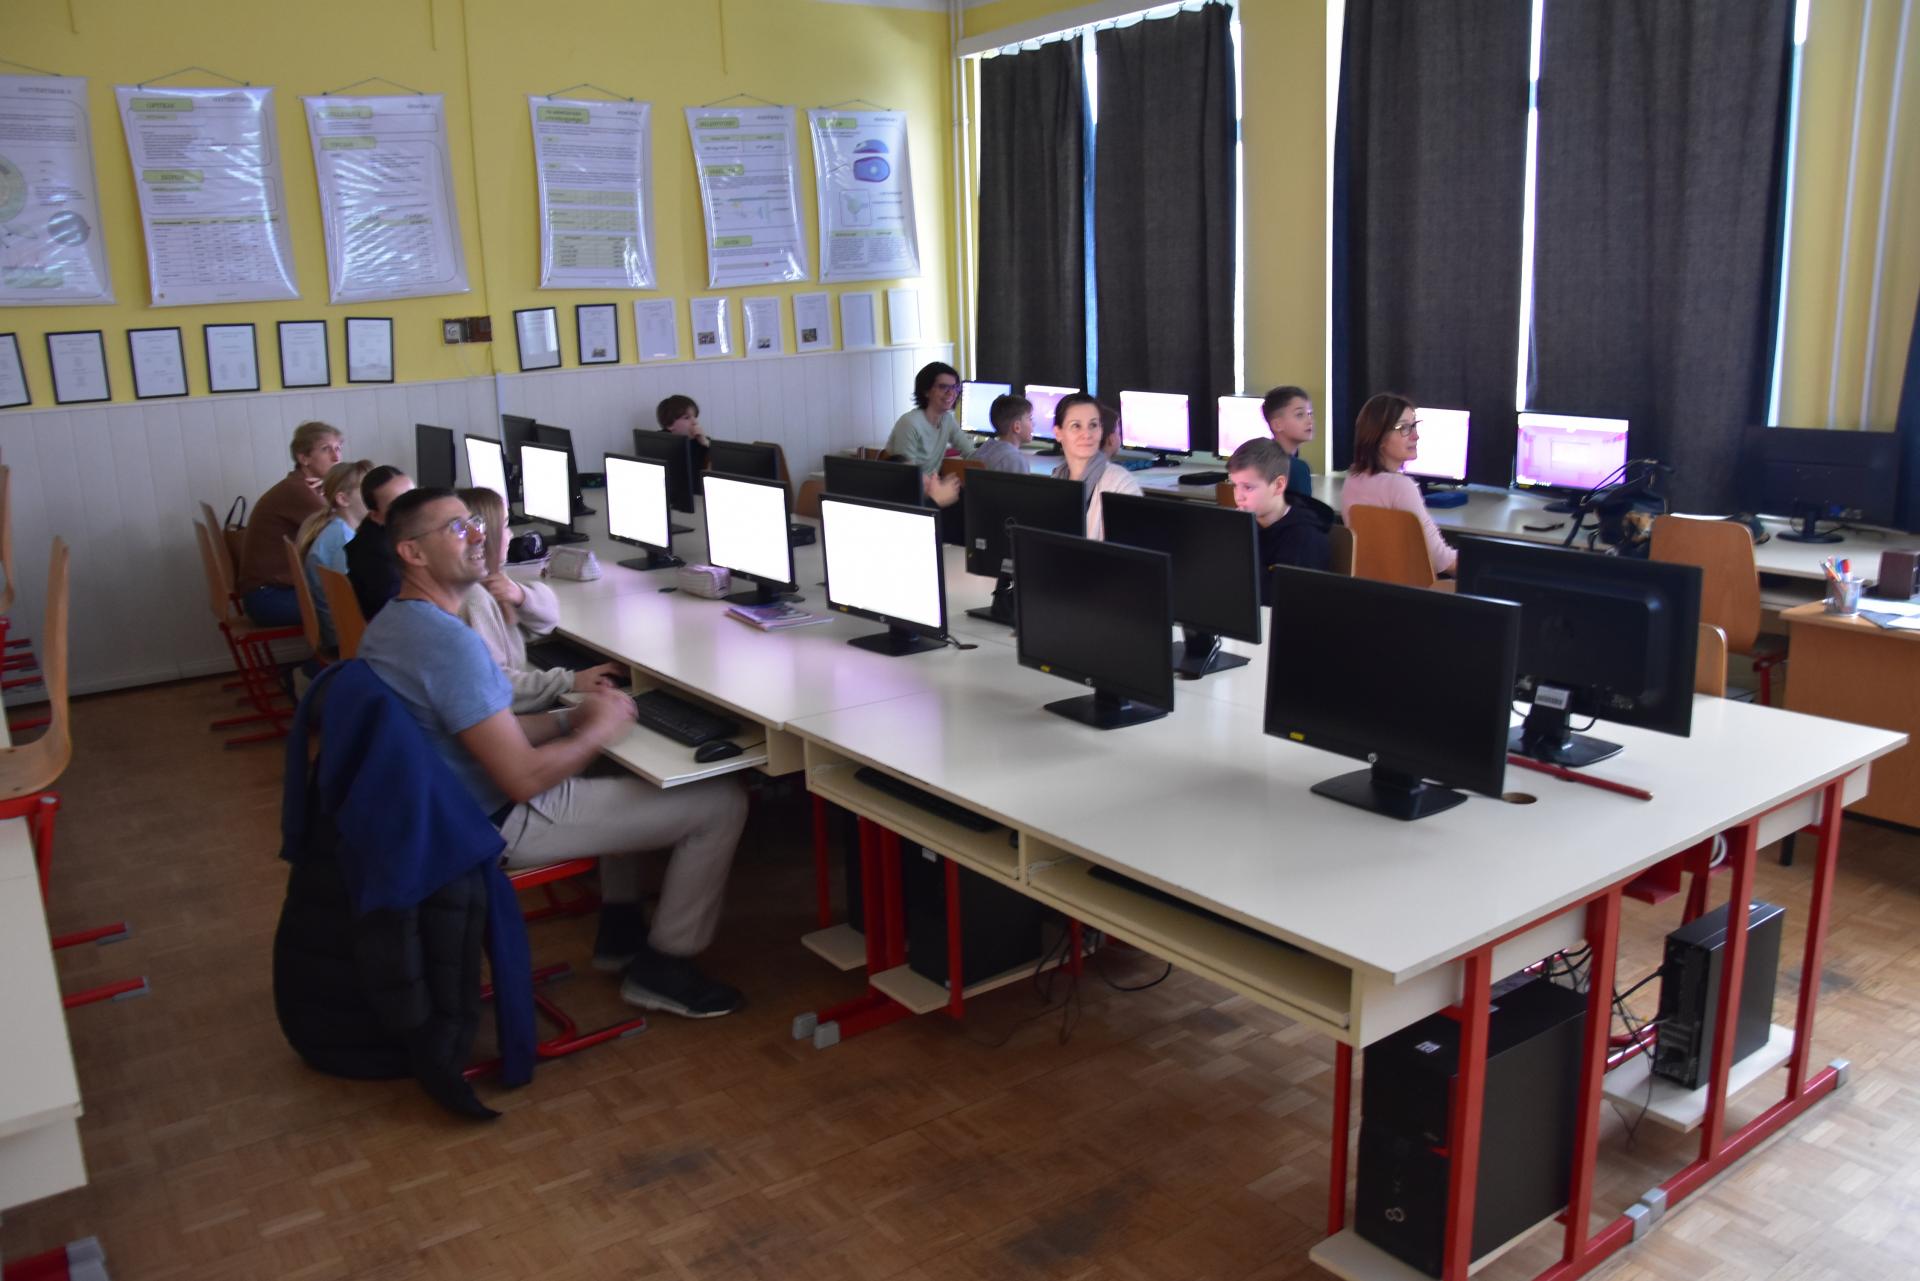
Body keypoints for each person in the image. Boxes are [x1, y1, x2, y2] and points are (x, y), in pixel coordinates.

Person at [358, 487, 748, 1018]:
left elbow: (486, 729)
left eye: (476, 524)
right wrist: (594, 733)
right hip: (490, 822)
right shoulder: (449, 644)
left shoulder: (396, 623)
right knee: (721, 801)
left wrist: (570, 718)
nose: (478, 537)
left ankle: (620, 929)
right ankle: (664, 967)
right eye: (457, 529)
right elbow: (520, 778)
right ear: (413, 552)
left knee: (613, 765)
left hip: (438, 809)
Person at [456, 486, 622, 712]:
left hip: (500, 715)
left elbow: (548, 621)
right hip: (502, 718)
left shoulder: (490, 583)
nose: (511, 534)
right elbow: (494, 686)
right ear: (485, 535)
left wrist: (520, 595)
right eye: (505, 525)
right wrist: (570, 681)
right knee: (608, 712)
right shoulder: (473, 598)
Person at [236, 422, 344, 625]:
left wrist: (330, 490)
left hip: (271, 593)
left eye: (338, 448)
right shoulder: (299, 491)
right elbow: (347, 532)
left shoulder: (304, 486)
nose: (336, 457)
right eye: (326, 449)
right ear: (303, 458)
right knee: (355, 607)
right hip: (269, 598)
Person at [1341, 392, 1457, 576]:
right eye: (1404, 428)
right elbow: (1442, 560)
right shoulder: (1401, 487)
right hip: (1411, 589)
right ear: (1379, 437)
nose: (1415, 436)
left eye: (1414, 426)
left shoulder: (1353, 479)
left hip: (1369, 587)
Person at [1226, 439, 1334, 600]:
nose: (1238, 496)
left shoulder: (1305, 537)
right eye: (1235, 485)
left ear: (1278, 485)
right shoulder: (1245, 525)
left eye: (1248, 487)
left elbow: (1287, 599)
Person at [295, 459, 373, 647]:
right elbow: (355, 602)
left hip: (339, 630)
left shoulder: (338, 529)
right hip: (346, 636)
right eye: (367, 491)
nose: (376, 496)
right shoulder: (343, 541)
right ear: (343, 499)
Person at [1050, 393, 1141, 540]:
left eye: (1093, 425)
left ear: (1101, 430)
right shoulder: (1056, 479)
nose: (1087, 434)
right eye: (1076, 426)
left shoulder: (1121, 484)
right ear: (1058, 433)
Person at [346, 465, 415, 623]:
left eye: (414, 497)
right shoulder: (378, 556)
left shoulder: (375, 535)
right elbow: (398, 613)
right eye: (397, 505)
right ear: (375, 515)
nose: (413, 508)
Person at [883, 361, 976, 475]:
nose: (951, 393)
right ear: (926, 391)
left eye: (954, 387)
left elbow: (970, 452)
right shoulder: (909, 423)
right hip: (908, 485)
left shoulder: (947, 420)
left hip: (929, 484)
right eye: (943, 387)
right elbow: (907, 475)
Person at [1261, 386, 1316, 498]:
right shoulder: (1297, 468)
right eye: (1300, 415)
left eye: (1310, 413)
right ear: (1277, 425)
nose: (1310, 421)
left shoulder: (1261, 457)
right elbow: (1302, 509)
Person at [974, 394, 1033, 474]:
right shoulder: (1016, 460)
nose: (1033, 424)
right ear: (1017, 427)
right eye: (1030, 419)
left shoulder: (983, 449)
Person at [656, 394, 710, 473]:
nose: (695, 422)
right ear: (669, 424)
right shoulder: (658, 442)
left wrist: (706, 444)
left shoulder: (701, 441)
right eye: (687, 418)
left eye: (695, 417)